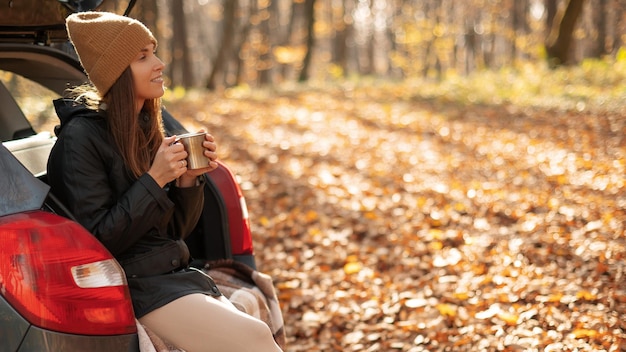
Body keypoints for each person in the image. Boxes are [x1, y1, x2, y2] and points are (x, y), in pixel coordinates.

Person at [47, 11, 283, 352]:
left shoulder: (143, 128)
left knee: (254, 331)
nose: (158, 63)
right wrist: (155, 179)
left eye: (154, 51)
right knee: (257, 338)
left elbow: (172, 233)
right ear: (117, 72)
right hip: (135, 285)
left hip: (172, 273)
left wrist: (187, 181)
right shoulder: (79, 139)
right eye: (142, 57)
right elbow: (97, 243)